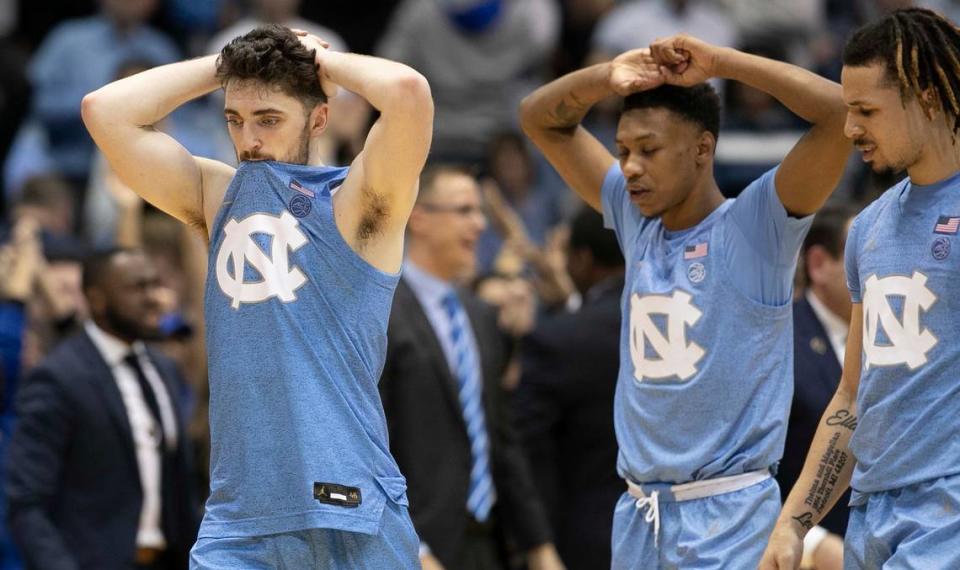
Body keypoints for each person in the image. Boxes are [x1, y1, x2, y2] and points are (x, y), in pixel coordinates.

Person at [80, 24, 434, 568]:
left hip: (348, 509)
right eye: (236, 120)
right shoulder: (217, 194)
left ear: (318, 119)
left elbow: (408, 93)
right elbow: (104, 110)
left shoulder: (358, 202)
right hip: (236, 521)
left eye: (269, 120)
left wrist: (320, 60)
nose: (250, 140)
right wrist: (225, 65)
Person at [519, 33, 850, 568]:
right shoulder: (634, 217)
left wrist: (721, 63)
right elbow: (539, 118)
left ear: (702, 149)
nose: (628, 166)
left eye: (648, 150)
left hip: (730, 515)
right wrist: (607, 76)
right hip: (638, 513)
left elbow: (838, 114)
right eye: (623, 150)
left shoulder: (755, 225)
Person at [761, 8, 960, 569]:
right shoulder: (869, 228)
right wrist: (792, 524)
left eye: (866, 111)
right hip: (872, 517)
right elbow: (852, 398)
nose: (850, 129)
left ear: (926, 98)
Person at [379, 165, 562, 570]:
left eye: (479, 212)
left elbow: (501, 439)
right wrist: (413, 546)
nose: (479, 225)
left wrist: (540, 547)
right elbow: (370, 444)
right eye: (464, 211)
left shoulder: (480, 315)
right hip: (414, 545)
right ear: (420, 216)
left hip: (488, 542)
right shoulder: (382, 314)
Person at [6, 248, 199, 570]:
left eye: (155, 284)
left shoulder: (164, 369)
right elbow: (26, 503)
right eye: (138, 288)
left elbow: (181, 490)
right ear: (97, 300)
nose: (155, 298)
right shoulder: (58, 378)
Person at [515, 207, 625, 570]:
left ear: (582, 258)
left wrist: (535, 544)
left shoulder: (556, 340)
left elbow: (525, 453)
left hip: (583, 542)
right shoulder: (685, 326)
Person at [779, 208, 855, 570]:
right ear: (820, 263)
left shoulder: (900, 341)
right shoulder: (777, 345)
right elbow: (746, 474)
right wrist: (815, 545)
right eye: (870, 258)